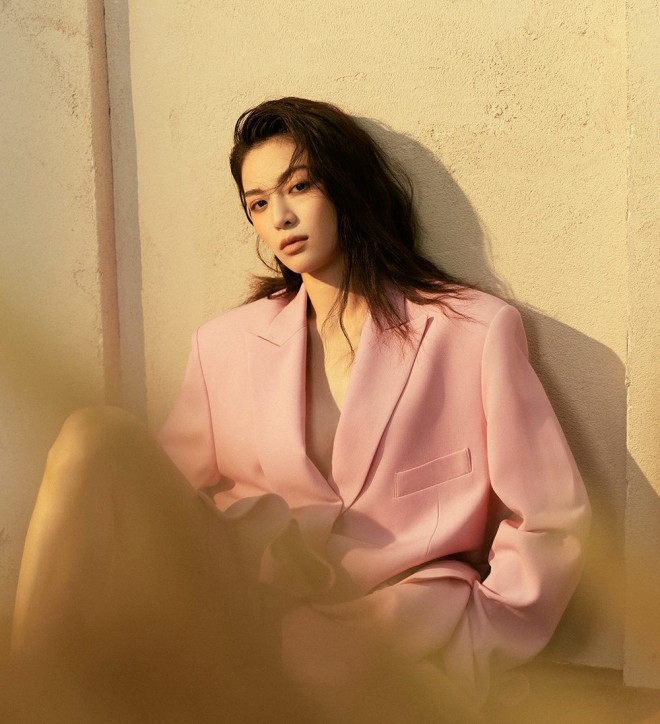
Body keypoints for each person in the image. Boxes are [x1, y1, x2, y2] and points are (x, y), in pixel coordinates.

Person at [10, 97, 590, 722]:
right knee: (93, 433)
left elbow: (549, 520)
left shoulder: (470, 332)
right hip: (243, 609)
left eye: (300, 186)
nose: (280, 217)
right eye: (258, 203)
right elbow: (160, 499)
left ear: (347, 186)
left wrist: (479, 642)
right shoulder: (224, 345)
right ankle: (24, 690)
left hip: (380, 633)